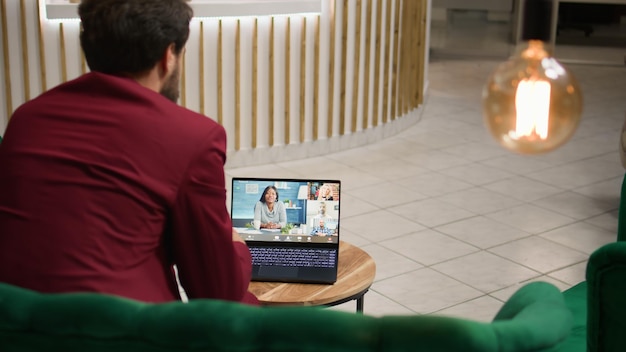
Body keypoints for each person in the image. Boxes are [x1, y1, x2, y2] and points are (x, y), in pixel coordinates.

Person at [0, 0, 258, 305]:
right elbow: (218, 293)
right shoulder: (193, 136)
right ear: (168, 57)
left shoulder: (26, 119)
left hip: (16, 329)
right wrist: (237, 247)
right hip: (128, 332)